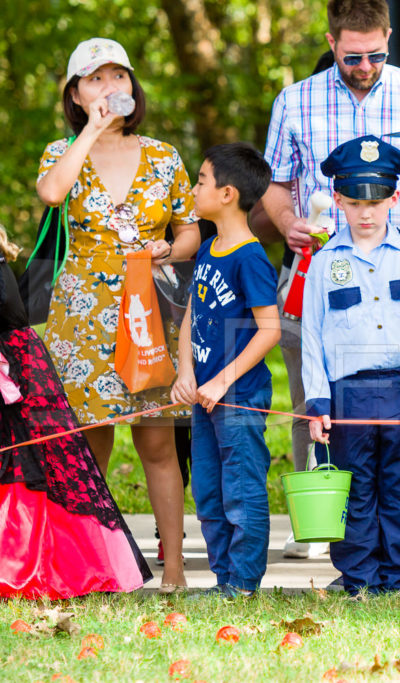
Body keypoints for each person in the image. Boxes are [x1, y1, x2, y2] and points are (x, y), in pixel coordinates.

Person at [261, 0, 400, 559]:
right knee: (326, 410)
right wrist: (287, 220)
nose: (365, 65)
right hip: (327, 280)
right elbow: (272, 183)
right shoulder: (295, 100)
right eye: (352, 55)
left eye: (377, 54)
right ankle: (336, 538)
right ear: (331, 40)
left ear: (389, 38)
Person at [36, 38, 200, 593]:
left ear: (134, 86)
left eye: (120, 77)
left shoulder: (164, 156)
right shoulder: (61, 152)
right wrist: (89, 133)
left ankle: (173, 569)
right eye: (96, 79)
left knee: (157, 442)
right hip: (82, 318)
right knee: (87, 445)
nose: (111, 88)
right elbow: (53, 194)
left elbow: (190, 232)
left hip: (148, 311)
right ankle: (85, 566)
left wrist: (168, 251)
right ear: (76, 94)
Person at [303, 135, 400, 595]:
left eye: (377, 199)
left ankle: (399, 579)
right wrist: (317, 401)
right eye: (356, 200)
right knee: (355, 489)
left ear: (395, 198)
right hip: (348, 394)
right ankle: (358, 578)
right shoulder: (324, 262)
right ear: (340, 200)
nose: (367, 212)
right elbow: (311, 335)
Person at [0, 225, 152, 599]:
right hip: (16, 360)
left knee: (34, 464)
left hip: (16, 367)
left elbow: (9, 311)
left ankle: (32, 569)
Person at [170, 143, 280, 598]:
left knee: (241, 489)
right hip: (204, 395)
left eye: (200, 180)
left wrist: (222, 378)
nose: (194, 189)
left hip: (236, 397)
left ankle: (244, 584)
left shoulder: (250, 257)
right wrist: (185, 371)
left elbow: (269, 330)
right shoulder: (210, 246)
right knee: (210, 493)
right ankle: (222, 579)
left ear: (228, 193)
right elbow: (192, 312)